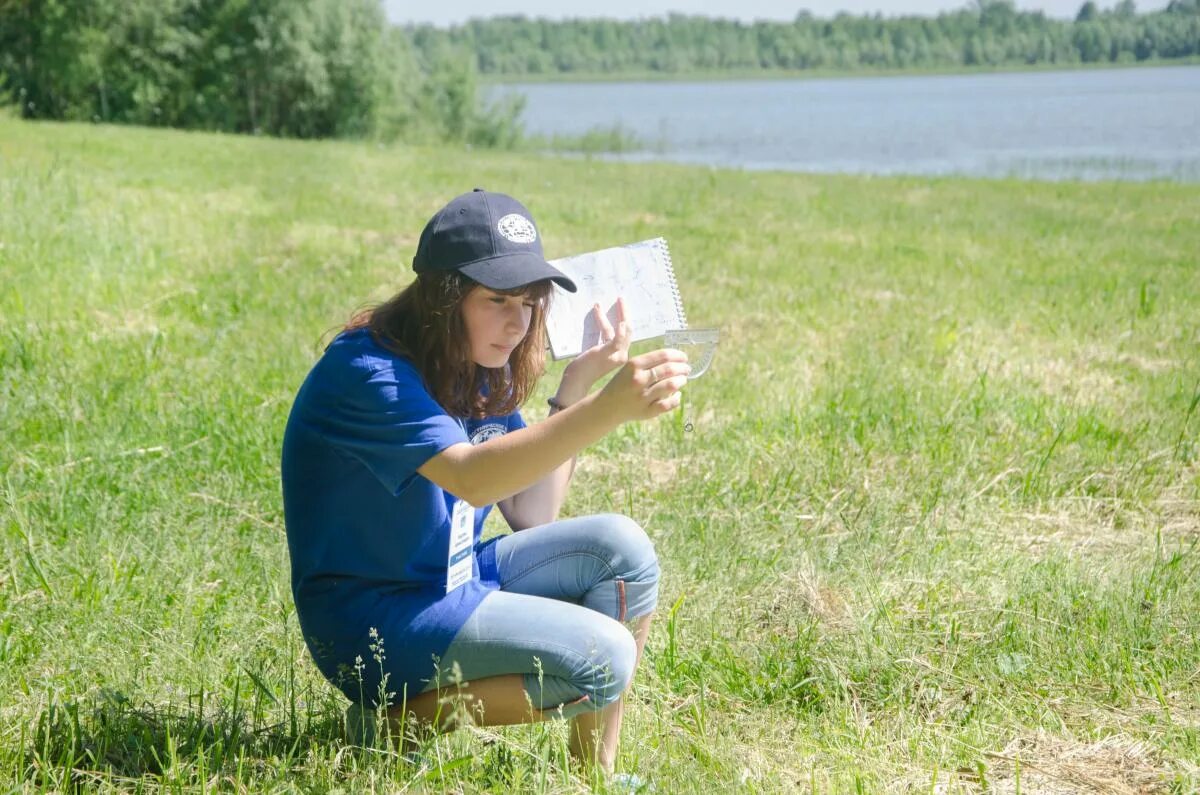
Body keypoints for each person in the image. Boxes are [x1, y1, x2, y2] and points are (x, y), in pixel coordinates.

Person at [280, 188, 691, 774]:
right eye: (496, 299)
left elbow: (530, 511)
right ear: (443, 298)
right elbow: (471, 479)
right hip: (373, 621)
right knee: (603, 658)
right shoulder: (369, 372)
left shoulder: (474, 364)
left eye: (528, 303)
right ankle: (396, 720)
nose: (517, 324)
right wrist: (605, 411)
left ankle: (591, 778)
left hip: (452, 581)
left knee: (623, 549)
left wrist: (575, 388)